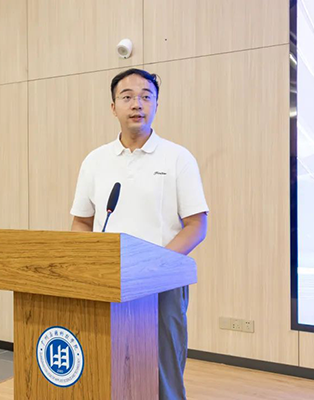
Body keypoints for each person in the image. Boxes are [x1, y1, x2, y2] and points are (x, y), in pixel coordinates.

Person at [70, 68, 209, 399]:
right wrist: (87, 267)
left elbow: (197, 224)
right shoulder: (95, 161)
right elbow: (81, 223)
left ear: (157, 105)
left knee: (163, 375)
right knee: (106, 368)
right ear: (113, 107)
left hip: (161, 285)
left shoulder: (178, 158)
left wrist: (153, 268)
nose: (137, 104)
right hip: (108, 283)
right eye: (127, 97)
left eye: (146, 96)